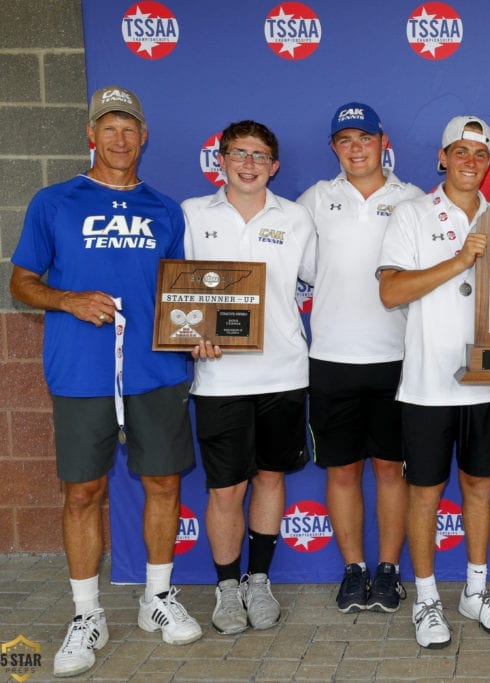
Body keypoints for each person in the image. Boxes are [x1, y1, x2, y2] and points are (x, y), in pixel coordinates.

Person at [9, 85, 203, 678]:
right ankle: (86, 613)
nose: (119, 139)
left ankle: (157, 598)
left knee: (164, 483)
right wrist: (66, 298)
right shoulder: (54, 201)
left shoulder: (167, 210)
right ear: (92, 135)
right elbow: (21, 281)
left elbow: (184, 294)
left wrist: (200, 332)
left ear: (144, 137)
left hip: (157, 370)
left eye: (130, 129)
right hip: (82, 372)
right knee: (84, 491)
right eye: (108, 128)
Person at [378, 115, 490, 648]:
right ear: (442, 158)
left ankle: (475, 591)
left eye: (479, 154)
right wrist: (459, 260)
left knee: (479, 488)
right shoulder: (411, 214)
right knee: (426, 494)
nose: (469, 161)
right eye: (459, 151)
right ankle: (428, 597)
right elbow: (391, 292)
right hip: (428, 384)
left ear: (487, 162)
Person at [181, 120, 316, 635]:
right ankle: (226, 588)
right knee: (224, 490)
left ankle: (259, 580)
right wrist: (191, 334)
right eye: (240, 153)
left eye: (260, 155)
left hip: (283, 372)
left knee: (271, 476)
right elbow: (178, 295)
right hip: (218, 377)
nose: (250, 163)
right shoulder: (193, 214)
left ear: (273, 166)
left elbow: (324, 281)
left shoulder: (297, 217)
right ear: (221, 160)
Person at [296, 102, 423, 613]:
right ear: (334, 147)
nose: (355, 148)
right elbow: (299, 271)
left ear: (382, 140)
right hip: (330, 358)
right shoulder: (313, 201)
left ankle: (389, 570)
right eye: (345, 140)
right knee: (343, 470)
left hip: (397, 358)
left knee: (392, 470)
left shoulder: (413, 199)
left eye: (364, 138)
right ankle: (354, 570)